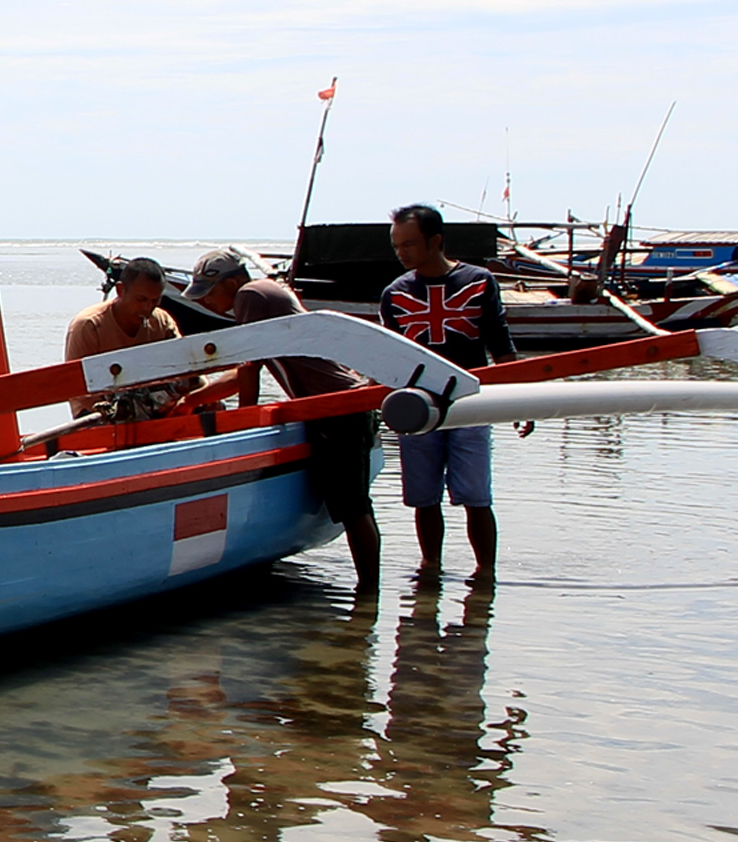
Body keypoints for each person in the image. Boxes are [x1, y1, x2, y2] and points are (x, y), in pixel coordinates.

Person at [196, 249, 382, 594]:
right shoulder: (266, 293)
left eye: (210, 292)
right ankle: (368, 594)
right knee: (351, 504)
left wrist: (245, 420)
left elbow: (249, 366)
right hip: (332, 403)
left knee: (353, 507)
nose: (206, 301)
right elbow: (247, 369)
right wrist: (194, 398)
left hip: (337, 406)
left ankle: (368, 594)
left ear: (233, 282)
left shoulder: (250, 297)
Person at [381, 202, 516, 577]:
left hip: (471, 404)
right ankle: (431, 568)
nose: (402, 253)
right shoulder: (395, 294)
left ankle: (485, 574)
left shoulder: (478, 282)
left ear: (435, 241)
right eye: (397, 246)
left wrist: (520, 403)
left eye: (409, 244)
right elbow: (390, 360)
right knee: (423, 499)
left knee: (476, 496)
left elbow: (500, 345)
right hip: (419, 407)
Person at [62, 257, 182, 416]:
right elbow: (74, 384)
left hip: (151, 405)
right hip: (95, 412)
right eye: (141, 299)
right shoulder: (89, 326)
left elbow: (188, 364)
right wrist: (112, 411)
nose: (148, 308)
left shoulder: (162, 322)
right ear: (120, 290)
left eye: (155, 300)